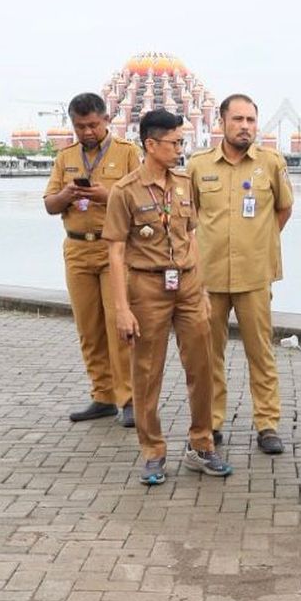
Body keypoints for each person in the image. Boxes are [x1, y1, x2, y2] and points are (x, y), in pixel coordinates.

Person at [104, 109, 233, 485]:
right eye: (175, 142)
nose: (181, 148)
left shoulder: (183, 181)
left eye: (182, 141)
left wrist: (203, 289)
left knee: (202, 367)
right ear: (150, 144)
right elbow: (114, 251)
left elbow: (192, 234)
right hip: (147, 287)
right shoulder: (125, 191)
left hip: (189, 286)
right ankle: (153, 452)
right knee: (146, 374)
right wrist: (122, 309)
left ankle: (201, 445)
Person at [188, 94, 293, 454]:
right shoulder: (198, 166)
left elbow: (283, 210)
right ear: (222, 122)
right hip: (209, 278)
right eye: (238, 120)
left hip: (254, 276)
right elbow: (191, 219)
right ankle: (212, 422)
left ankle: (267, 424)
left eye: (251, 120)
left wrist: (257, 243)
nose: (246, 126)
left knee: (260, 353)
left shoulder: (271, 163)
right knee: (208, 354)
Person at [44, 93, 141, 426]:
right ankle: (102, 396)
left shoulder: (128, 154)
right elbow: (50, 205)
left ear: (106, 120)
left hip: (113, 251)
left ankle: (128, 398)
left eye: (92, 125)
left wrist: (106, 195)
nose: (86, 132)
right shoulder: (66, 157)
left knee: (120, 326)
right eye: (79, 126)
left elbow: (144, 200)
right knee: (89, 328)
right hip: (77, 250)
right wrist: (67, 194)